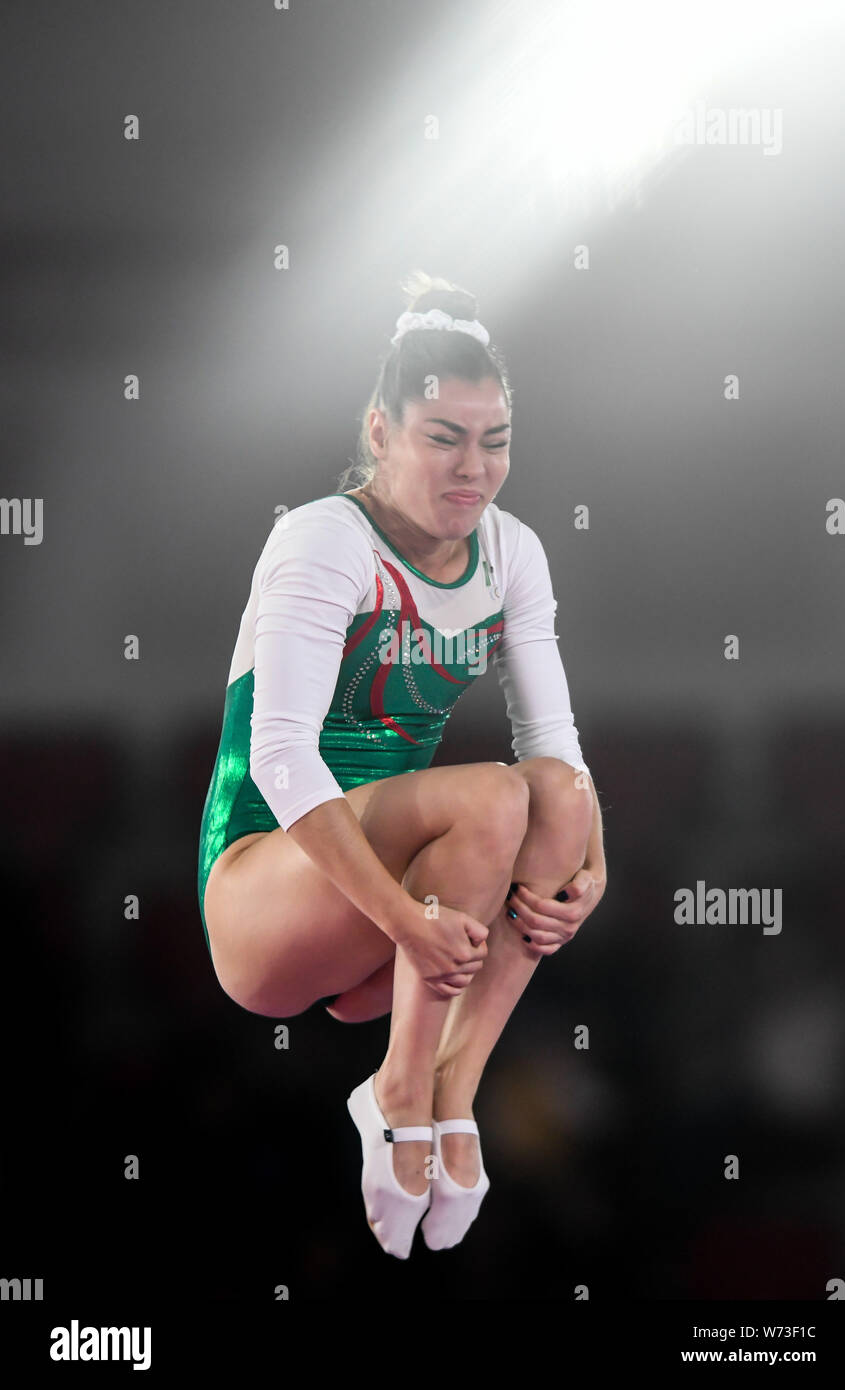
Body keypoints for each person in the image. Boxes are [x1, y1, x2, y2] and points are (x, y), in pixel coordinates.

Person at [197, 271, 607, 1259]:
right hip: (265, 896)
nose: (474, 468)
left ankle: (450, 1084)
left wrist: (589, 873)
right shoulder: (322, 539)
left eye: (493, 440)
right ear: (379, 432)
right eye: (443, 438)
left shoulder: (510, 554)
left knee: (547, 794)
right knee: (486, 795)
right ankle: (395, 1088)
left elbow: (557, 750)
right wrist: (406, 923)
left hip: (405, 932)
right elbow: (282, 755)